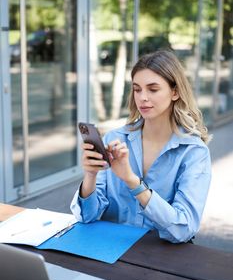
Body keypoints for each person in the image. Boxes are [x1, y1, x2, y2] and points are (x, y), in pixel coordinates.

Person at [70, 49, 211, 243]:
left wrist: (132, 182)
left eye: (153, 89)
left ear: (175, 92)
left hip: (160, 257)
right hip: (110, 248)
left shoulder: (193, 152)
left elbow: (183, 229)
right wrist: (90, 176)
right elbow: (86, 217)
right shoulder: (115, 138)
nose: (143, 97)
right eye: (137, 89)